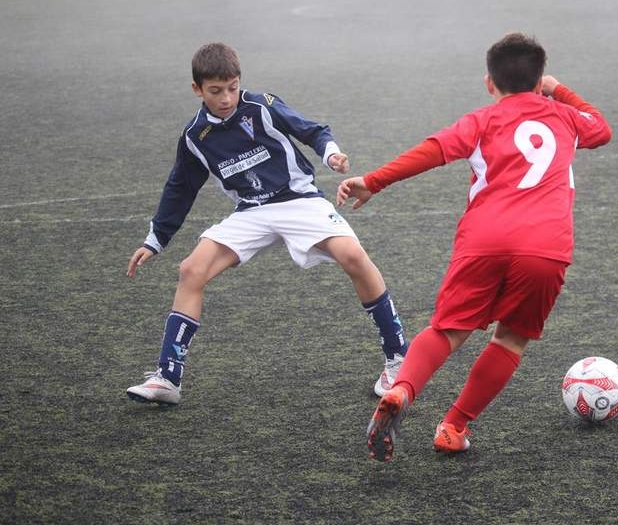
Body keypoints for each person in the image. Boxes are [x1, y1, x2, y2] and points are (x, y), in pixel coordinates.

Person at [337, 33, 613, 461]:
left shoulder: (482, 120)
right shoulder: (566, 117)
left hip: (484, 240)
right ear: (540, 80)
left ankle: (402, 391)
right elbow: (602, 127)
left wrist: (372, 181)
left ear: (490, 83)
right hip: (546, 246)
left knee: (448, 329)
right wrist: (560, 91)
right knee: (511, 339)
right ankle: (454, 426)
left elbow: (430, 151)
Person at [125, 43, 408, 406]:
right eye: (215, 91)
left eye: (232, 87)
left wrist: (331, 153)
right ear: (197, 89)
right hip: (252, 212)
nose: (226, 98)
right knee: (191, 270)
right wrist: (155, 240)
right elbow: (180, 189)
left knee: (353, 256)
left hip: (298, 200)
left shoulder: (261, 105)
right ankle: (168, 377)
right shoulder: (195, 137)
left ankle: (399, 358)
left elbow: (311, 130)